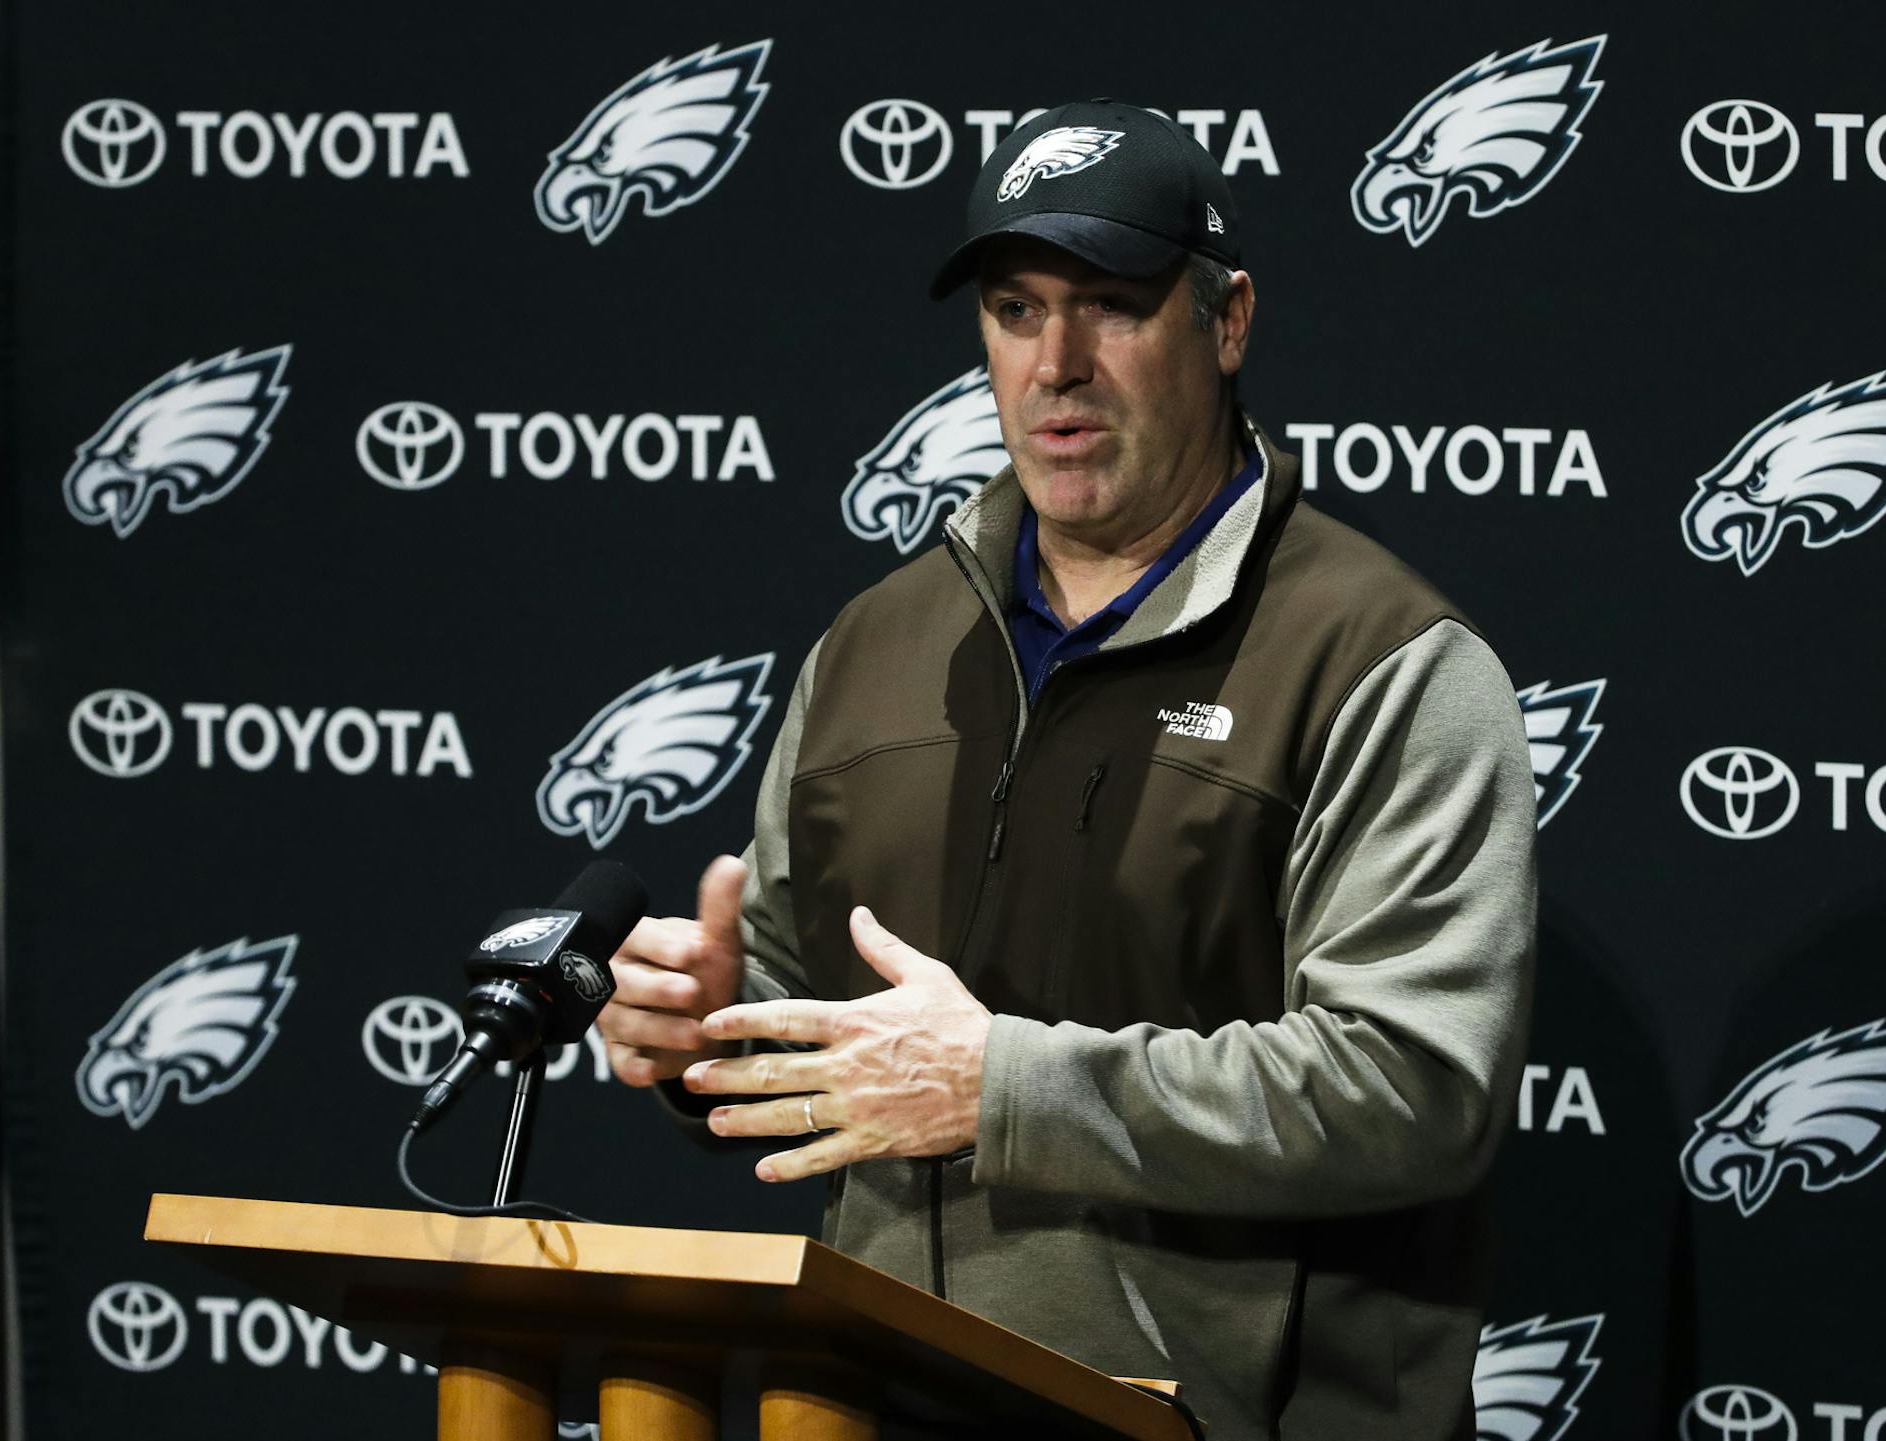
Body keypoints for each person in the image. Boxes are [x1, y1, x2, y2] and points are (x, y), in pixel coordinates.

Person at [597, 100, 1538, 1441]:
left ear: (1228, 323)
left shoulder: (1382, 660)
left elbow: (1414, 1088)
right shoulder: (873, 647)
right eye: (1017, 308)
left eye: (1111, 303)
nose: (1058, 362)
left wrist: (1004, 1088)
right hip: (872, 1405)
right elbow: (839, 1067)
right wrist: (714, 1039)